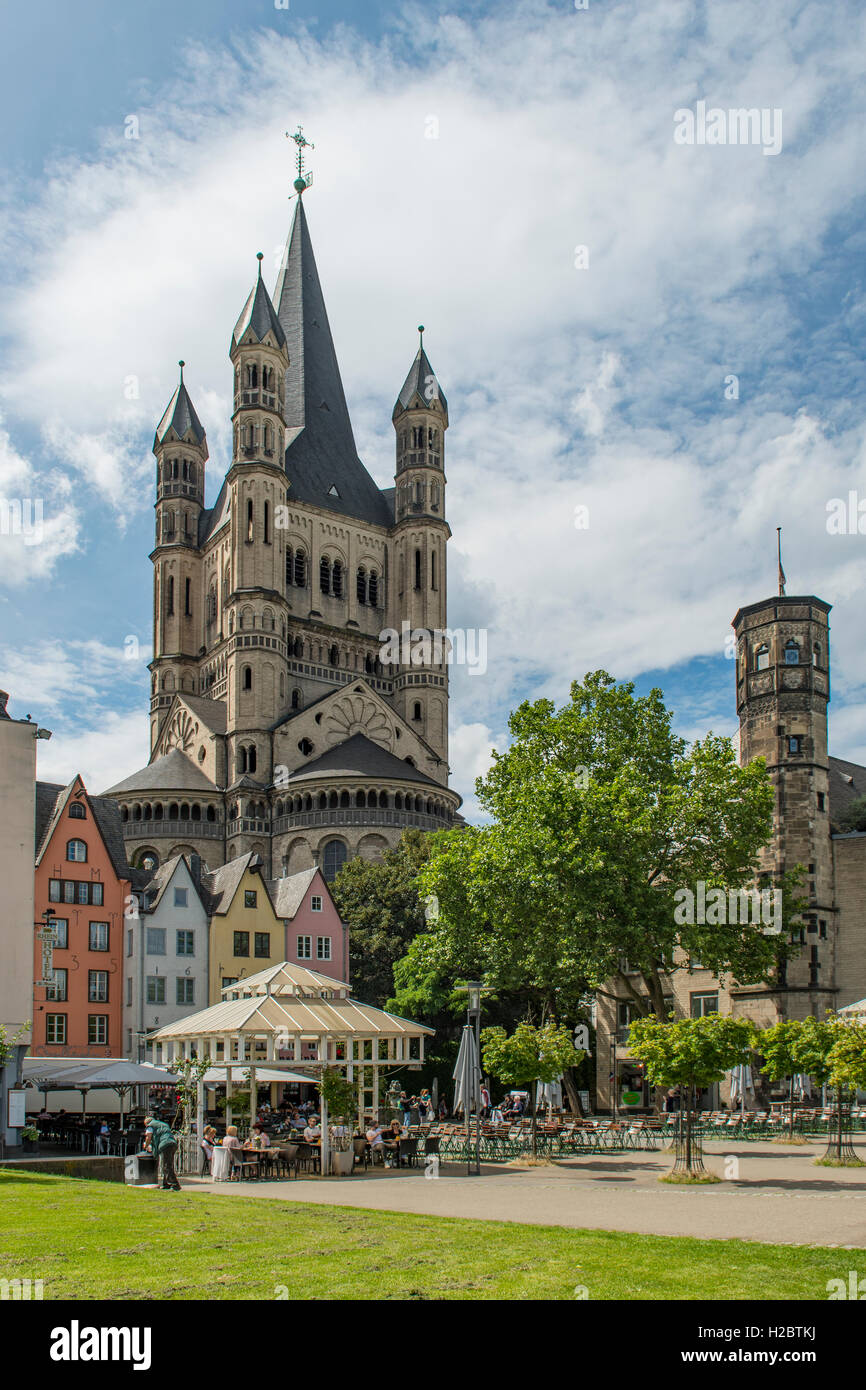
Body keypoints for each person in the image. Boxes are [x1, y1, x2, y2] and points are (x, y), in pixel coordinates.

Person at [144, 1114, 181, 1191]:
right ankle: (166, 1184)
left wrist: (146, 1145)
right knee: (168, 1164)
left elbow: (148, 1136)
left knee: (166, 1166)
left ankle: (174, 1184)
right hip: (172, 1143)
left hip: (165, 1144)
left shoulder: (150, 1126)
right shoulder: (163, 1124)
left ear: (147, 1123)